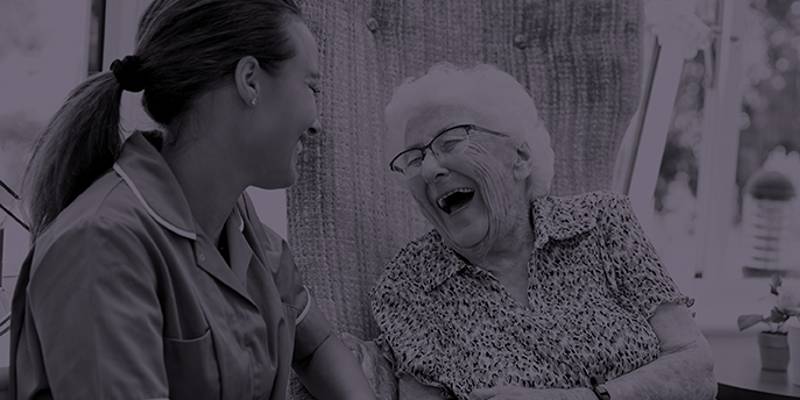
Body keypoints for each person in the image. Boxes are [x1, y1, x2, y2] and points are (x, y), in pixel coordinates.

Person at [10, 1, 376, 399]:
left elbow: (317, 347)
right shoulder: (100, 244)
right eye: (312, 87)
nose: (317, 122)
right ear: (250, 80)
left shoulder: (244, 233)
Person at [371, 63, 717, 400]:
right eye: (415, 159)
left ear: (520, 157)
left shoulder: (603, 222)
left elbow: (696, 369)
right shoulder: (409, 284)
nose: (430, 170)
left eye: (450, 142)